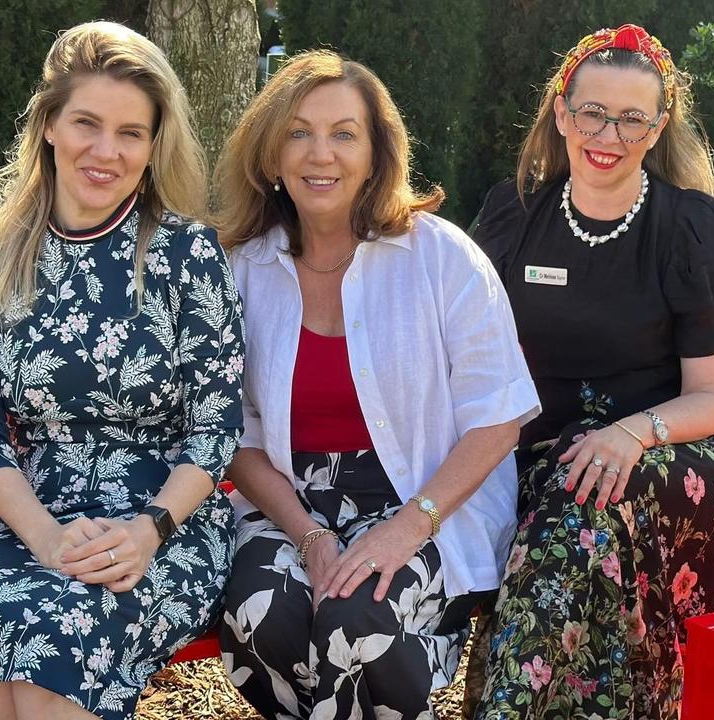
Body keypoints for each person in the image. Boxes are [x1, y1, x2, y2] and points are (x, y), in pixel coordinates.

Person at [0, 22, 244, 720]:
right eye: (86, 123)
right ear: (49, 125)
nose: (106, 150)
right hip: (33, 515)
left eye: (131, 133)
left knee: (56, 648)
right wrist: (45, 537)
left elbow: (217, 429)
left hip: (164, 524)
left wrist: (148, 530)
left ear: (153, 148)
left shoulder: (187, 255)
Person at [470, 24, 714, 720]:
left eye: (632, 118)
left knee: (587, 499)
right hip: (548, 452)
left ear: (658, 126)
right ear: (561, 112)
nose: (608, 133)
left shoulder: (692, 231)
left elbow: (710, 398)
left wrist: (630, 434)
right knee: (573, 494)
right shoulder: (513, 217)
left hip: (683, 449)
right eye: (593, 111)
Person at [213, 50, 540, 720]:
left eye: (343, 134)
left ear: (375, 153)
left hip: (422, 498)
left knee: (357, 621)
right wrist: (305, 534)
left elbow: (498, 417)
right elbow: (235, 435)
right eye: (298, 133)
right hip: (290, 502)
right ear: (272, 156)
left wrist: (407, 527)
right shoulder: (240, 271)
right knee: (262, 617)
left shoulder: (442, 258)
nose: (319, 154)